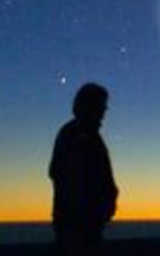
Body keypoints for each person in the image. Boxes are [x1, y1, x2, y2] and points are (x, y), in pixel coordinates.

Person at [49, 83, 118, 255]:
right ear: (90, 106)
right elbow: (62, 175)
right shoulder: (74, 135)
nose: (105, 109)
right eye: (101, 104)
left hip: (86, 224)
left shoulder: (88, 135)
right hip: (78, 227)